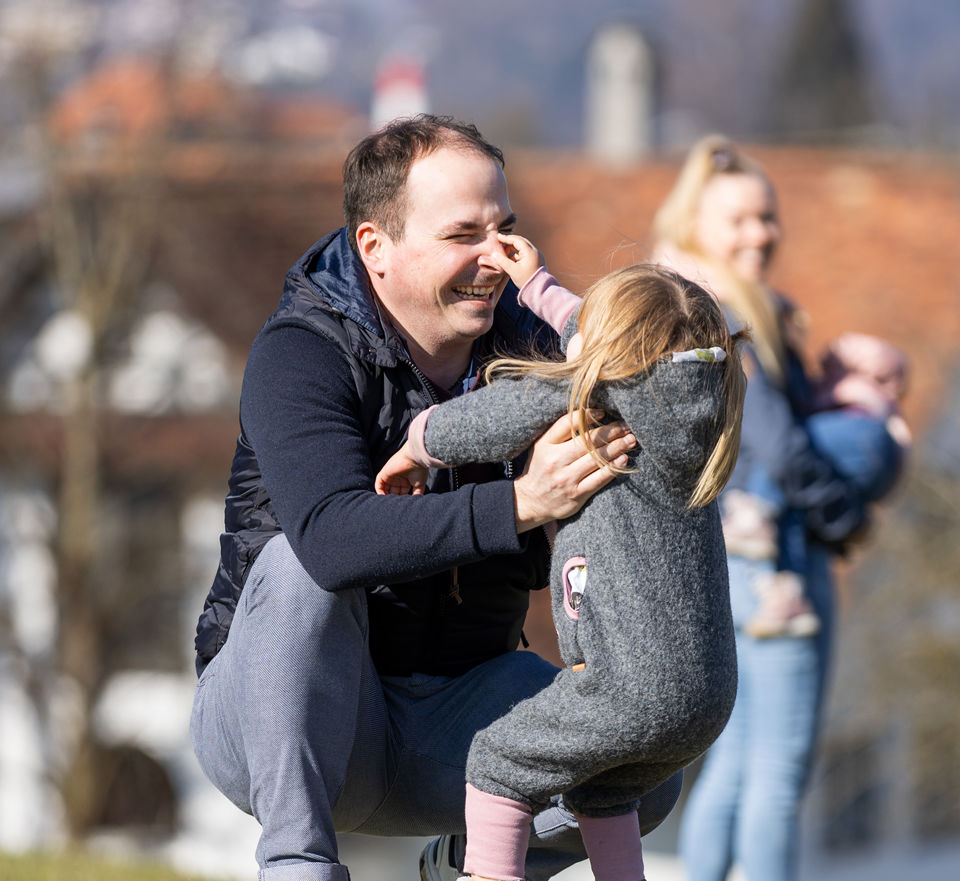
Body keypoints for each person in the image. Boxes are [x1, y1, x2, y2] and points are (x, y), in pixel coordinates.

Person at [188, 114, 682, 881]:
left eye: (505, 230)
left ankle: (466, 861)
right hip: (293, 726)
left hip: (456, 720)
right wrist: (522, 503)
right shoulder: (300, 353)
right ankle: (297, 865)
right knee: (294, 569)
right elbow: (333, 539)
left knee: (640, 749)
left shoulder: (534, 350)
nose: (494, 260)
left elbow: (644, 380)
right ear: (374, 248)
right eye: (463, 236)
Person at [374, 236, 748, 881]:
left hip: (627, 685)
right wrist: (538, 285)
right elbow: (603, 335)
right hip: (707, 698)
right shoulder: (699, 400)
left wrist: (416, 444)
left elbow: (495, 416)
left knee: (497, 761)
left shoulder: (600, 390)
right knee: (603, 790)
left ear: (609, 351)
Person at [650, 134, 869, 881]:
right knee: (777, 774)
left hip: (727, 554)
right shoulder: (715, 312)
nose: (760, 234)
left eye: (768, 217)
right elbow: (776, 442)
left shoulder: (694, 306)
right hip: (773, 561)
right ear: (693, 226)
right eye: (739, 219)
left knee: (740, 765)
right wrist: (847, 510)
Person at [725, 331, 911, 638]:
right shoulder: (877, 406)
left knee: (787, 446)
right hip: (869, 460)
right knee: (792, 498)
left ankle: (752, 514)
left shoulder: (855, 391)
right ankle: (787, 591)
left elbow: (786, 448)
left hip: (862, 439)